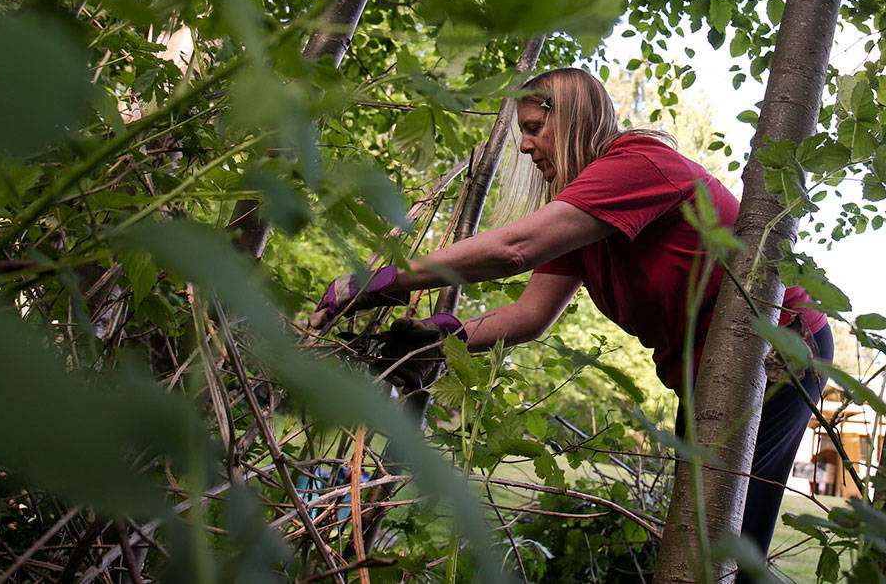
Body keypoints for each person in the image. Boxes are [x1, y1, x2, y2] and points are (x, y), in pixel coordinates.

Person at [316, 67, 833, 564]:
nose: (524, 146)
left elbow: (515, 248)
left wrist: (385, 279)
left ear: (575, 117)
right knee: (696, 540)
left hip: (775, 346)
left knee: (722, 542)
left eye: (535, 128)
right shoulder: (583, 218)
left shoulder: (638, 165)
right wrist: (441, 337)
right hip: (702, 373)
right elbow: (528, 316)